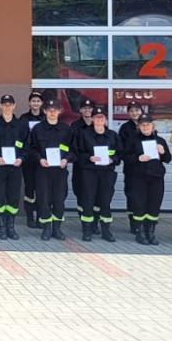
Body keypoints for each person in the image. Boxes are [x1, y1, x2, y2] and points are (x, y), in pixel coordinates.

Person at [26, 99, 73, 241]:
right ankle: (46, 228)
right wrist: (40, 159)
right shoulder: (38, 129)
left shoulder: (66, 129)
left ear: (60, 111)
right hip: (43, 170)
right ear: (45, 111)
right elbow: (31, 148)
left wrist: (66, 159)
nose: (52, 112)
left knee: (59, 199)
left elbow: (73, 149)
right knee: (44, 199)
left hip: (60, 170)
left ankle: (57, 229)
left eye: (55, 110)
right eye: (50, 110)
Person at [74, 106, 121, 242]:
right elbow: (77, 152)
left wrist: (113, 159)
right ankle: (87, 230)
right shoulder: (84, 134)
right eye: (97, 117)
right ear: (92, 119)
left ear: (105, 119)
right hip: (89, 172)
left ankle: (106, 231)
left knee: (105, 201)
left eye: (102, 117)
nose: (99, 120)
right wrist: (89, 157)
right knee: (88, 201)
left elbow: (120, 153)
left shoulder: (113, 135)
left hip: (107, 173)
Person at [125, 114, 171, 245]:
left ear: (153, 126)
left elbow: (168, 159)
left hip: (156, 178)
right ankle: (139, 233)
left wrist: (163, 152)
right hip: (138, 178)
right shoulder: (132, 140)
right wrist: (137, 158)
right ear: (138, 127)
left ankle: (150, 232)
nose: (145, 127)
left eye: (148, 124)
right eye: (143, 125)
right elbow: (125, 157)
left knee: (154, 205)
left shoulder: (160, 141)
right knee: (139, 205)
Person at [0, 94, 25, 240]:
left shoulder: (21, 125)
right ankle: (1, 226)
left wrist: (21, 158)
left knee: (13, 197)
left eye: (10, 104)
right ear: (0, 106)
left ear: (14, 106)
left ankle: (11, 227)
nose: (7, 107)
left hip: (15, 167)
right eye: (5, 104)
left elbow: (27, 145)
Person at [18, 91, 45, 229]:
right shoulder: (23, 118)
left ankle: (41, 216)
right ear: (29, 103)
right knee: (29, 188)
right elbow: (21, 137)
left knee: (41, 189)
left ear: (41, 103)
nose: (35, 103)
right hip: (28, 159)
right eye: (33, 101)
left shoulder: (45, 118)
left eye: (38, 101)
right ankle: (30, 217)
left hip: (42, 160)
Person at [117, 102, 143, 235]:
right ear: (128, 113)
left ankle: (143, 223)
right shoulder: (125, 128)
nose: (134, 113)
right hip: (131, 168)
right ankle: (134, 223)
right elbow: (121, 149)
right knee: (132, 195)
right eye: (132, 111)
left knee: (145, 195)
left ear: (141, 111)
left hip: (146, 168)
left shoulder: (147, 124)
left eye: (137, 110)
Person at [69, 97, 95, 230]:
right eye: (84, 108)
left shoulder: (98, 125)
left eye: (89, 108)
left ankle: (94, 223)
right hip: (80, 166)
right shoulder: (75, 126)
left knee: (95, 195)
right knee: (80, 192)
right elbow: (72, 146)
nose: (87, 110)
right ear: (80, 110)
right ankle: (84, 220)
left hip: (96, 167)